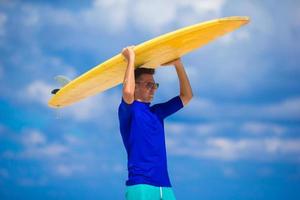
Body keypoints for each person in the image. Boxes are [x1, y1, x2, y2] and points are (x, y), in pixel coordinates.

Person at [118, 46, 193, 200]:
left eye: (155, 85)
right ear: (136, 85)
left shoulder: (158, 112)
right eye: (148, 85)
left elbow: (187, 96)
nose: (153, 89)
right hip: (140, 185)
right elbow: (127, 92)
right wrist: (131, 59)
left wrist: (178, 65)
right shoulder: (129, 110)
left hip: (164, 186)